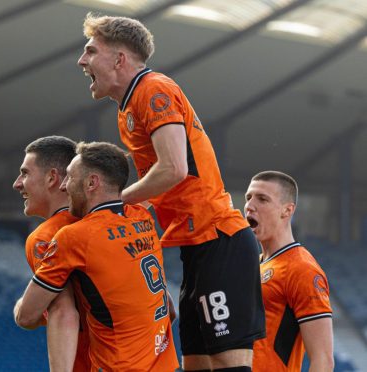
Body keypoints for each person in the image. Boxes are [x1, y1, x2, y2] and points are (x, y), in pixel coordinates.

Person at [77, 13, 265, 371]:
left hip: (218, 238)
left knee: (228, 360)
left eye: (90, 51)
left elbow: (174, 168)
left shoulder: (154, 89)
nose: (81, 60)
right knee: (194, 362)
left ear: (119, 59)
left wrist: (113, 204)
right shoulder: (128, 109)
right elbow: (158, 182)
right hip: (195, 247)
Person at [14, 141, 179, 371]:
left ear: (91, 182)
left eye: (70, 177)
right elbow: (169, 309)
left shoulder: (58, 236)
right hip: (165, 362)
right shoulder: (139, 216)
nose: (64, 186)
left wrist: (21, 307)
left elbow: (55, 313)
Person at [12, 135, 90, 371]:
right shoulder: (117, 222)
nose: (17, 183)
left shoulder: (47, 237)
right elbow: (167, 309)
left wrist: (23, 306)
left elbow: (63, 312)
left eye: (25, 173)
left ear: (52, 178)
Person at [244, 171, 334, 371]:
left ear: (287, 210)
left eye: (262, 199)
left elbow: (323, 360)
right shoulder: (252, 265)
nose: (249, 206)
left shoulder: (302, 269)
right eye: (248, 197)